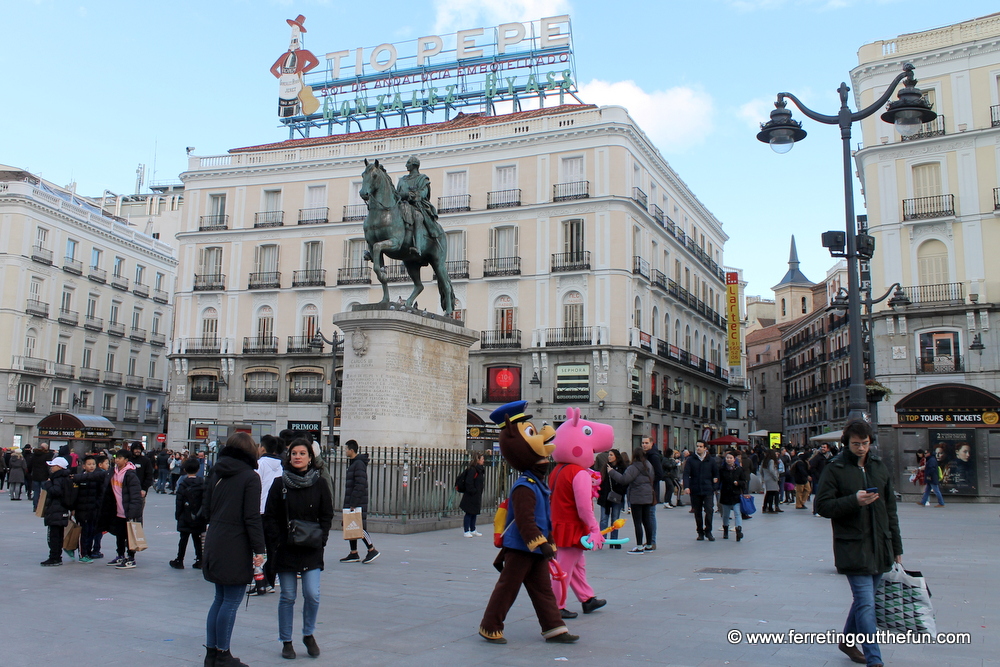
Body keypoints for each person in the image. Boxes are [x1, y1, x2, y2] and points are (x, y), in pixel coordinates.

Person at [816, 420, 903, 667]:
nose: (861, 448)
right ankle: (875, 659)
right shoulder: (835, 468)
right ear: (847, 443)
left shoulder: (878, 466)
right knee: (866, 603)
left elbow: (890, 510)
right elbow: (822, 506)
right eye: (856, 444)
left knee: (865, 601)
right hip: (852, 547)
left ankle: (847, 641)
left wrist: (897, 547)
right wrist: (854, 501)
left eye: (865, 443)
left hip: (880, 545)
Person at [263, 438, 334, 659]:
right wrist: (276, 540)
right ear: (288, 456)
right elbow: (270, 516)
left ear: (310, 457)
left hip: (311, 546)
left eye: (302, 453)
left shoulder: (320, 483)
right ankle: (286, 640)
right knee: (288, 596)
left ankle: (308, 633)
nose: (297, 457)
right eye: (294, 453)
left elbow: (327, 514)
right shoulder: (279, 483)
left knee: (312, 594)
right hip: (286, 546)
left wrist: (321, 538)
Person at [201, 432, 267, 667]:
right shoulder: (250, 477)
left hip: (215, 538)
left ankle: (211, 653)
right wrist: (259, 549)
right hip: (236, 542)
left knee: (219, 598)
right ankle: (223, 654)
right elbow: (252, 517)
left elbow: (205, 509)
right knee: (231, 600)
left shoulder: (216, 472)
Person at [97, 449, 143, 569]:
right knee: (119, 535)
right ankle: (120, 555)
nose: (117, 460)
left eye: (120, 458)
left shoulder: (130, 475)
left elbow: (135, 496)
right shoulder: (113, 471)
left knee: (130, 536)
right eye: (116, 457)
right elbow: (97, 476)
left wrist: (133, 512)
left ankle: (131, 558)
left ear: (126, 460)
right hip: (117, 510)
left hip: (128, 511)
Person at [608, 446, 655, 554]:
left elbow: (624, 480)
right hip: (648, 496)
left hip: (637, 497)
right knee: (647, 521)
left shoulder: (633, 467)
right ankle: (648, 545)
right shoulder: (648, 465)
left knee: (637, 522)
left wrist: (611, 472)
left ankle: (639, 547)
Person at [395, 155, 445, 257]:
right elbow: (397, 194)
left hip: (417, 206)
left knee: (418, 217)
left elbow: (423, 193)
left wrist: (411, 195)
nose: (406, 166)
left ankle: (417, 247)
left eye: (408, 163)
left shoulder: (422, 179)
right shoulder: (402, 180)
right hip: (402, 205)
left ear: (414, 165)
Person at [340, 440, 379, 564]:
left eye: (346, 449)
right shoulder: (354, 463)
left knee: (359, 526)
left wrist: (353, 502)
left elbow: (360, 484)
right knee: (350, 524)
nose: (345, 451)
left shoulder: (358, 464)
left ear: (351, 450)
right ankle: (353, 553)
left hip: (357, 501)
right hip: (353, 499)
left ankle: (371, 549)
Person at [257, 434, 285, 592]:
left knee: (259, 547)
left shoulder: (260, 464)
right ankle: (271, 580)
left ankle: (259, 579)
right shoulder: (281, 465)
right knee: (272, 547)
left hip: (261, 509)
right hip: (276, 511)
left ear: (262, 448)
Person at [171, 458, 207, 569]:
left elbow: (179, 502)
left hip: (185, 516)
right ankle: (200, 559)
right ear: (198, 469)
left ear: (185, 469)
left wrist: (178, 515)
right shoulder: (203, 484)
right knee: (197, 538)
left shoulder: (183, 484)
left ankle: (179, 560)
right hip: (199, 517)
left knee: (183, 539)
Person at [39, 457, 74, 566]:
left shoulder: (58, 478)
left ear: (59, 467)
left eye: (53, 466)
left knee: (54, 536)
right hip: (61, 510)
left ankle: (54, 557)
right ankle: (56, 556)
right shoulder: (66, 477)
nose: (51, 468)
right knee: (58, 535)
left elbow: (56, 491)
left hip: (56, 510)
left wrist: (48, 484)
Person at [74, 455, 108, 563]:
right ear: (84, 466)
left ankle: (89, 552)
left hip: (94, 509)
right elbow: (75, 495)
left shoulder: (98, 479)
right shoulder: (79, 478)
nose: (91, 466)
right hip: (82, 510)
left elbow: (101, 494)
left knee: (91, 531)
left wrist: (98, 506)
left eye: (93, 464)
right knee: (84, 532)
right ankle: (83, 554)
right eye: (89, 464)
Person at [683, 441, 719, 541]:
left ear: (705, 448)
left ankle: (708, 531)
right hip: (695, 489)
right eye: (697, 446)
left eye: (700, 446)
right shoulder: (691, 460)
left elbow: (716, 474)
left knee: (709, 510)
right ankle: (700, 532)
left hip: (708, 489)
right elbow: (686, 474)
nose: (698, 448)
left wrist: (714, 487)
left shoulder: (710, 460)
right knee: (697, 512)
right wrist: (687, 486)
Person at [597, 449, 627, 549]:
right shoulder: (605, 467)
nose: (609, 457)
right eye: (609, 455)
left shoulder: (622, 468)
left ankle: (614, 540)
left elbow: (624, 482)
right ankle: (602, 540)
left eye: (611, 455)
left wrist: (620, 492)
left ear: (616, 456)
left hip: (617, 497)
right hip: (605, 497)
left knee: (615, 519)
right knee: (603, 520)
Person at [718, 451, 749, 541]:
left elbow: (744, 481)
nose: (729, 460)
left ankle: (738, 530)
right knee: (726, 515)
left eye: (730, 458)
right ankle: (726, 530)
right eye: (727, 458)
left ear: (734, 459)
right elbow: (719, 480)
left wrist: (738, 483)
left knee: (737, 513)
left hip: (736, 495)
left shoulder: (739, 469)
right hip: (725, 494)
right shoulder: (722, 469)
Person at [640, 437, 663, 549]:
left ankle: (652, 541)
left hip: (651, 490)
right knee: (647, 516)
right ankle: (649, 540)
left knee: (650, 515)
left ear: (651, 443)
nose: (644, 445)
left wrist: (649, 483)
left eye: (646, 443)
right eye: (643, 443)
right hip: (646, 490)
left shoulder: (653, 456)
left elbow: (659, 474)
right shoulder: (645, 455)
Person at [459, 452, 486, 537]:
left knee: (474, 512)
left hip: (476, 494)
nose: (483, 461)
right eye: (482, 459)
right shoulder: (473, 470)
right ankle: (466, 530)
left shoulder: (480, 470)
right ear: (478, 460)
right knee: (469, 513)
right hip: (471, 494)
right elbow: (469, 482)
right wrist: (473, 491)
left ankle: (473, 529)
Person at [29, 442, 54, 511]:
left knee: (36, 492)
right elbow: (49, 466)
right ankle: (43, 506)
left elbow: (30, 465)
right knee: (44, 492)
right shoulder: (47, 455)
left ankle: (35, 506)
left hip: (35, 475)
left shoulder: (34, 455)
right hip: (44, 475)